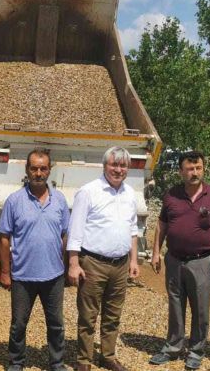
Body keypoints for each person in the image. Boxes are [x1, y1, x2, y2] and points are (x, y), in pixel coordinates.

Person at [149, 151, 210, 369]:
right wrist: (156, 252)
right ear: (181, 171)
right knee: (175, 305)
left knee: (200, 308)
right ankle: (173, 347)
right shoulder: (171, 195)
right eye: (189, 169)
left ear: (203, 169)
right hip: (174, 260)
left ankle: (196, 350)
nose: (194, 173)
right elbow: (161, 225)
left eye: (198, 168)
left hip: (202, 261)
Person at [67, 146, 140, 371]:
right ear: (104, 165)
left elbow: (133, 230)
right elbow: (75, 230)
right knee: (88, 316)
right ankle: (83, 361)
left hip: (120, 264)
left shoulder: (130, 194)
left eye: (122, 165)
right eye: (114, 164)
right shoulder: (88, 191)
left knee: (113, 314)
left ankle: (107, 356)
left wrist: (134, 260)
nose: (118, 169)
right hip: (93, 263)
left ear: (128, 168)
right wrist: (73, 263)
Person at [0, 148, 70, 371]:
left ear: (50, 170)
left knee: (56, 324)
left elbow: (66, 234)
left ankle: (57, 362)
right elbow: (4, 238)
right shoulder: (14, 201)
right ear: (27, 169)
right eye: (34, 168)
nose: (38, 173)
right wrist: (5, 272)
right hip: (22, 276)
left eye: (43, 168)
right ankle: (16, 362)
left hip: (54, 275)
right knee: (18, 324)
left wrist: (67, 268)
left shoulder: (59, 200)